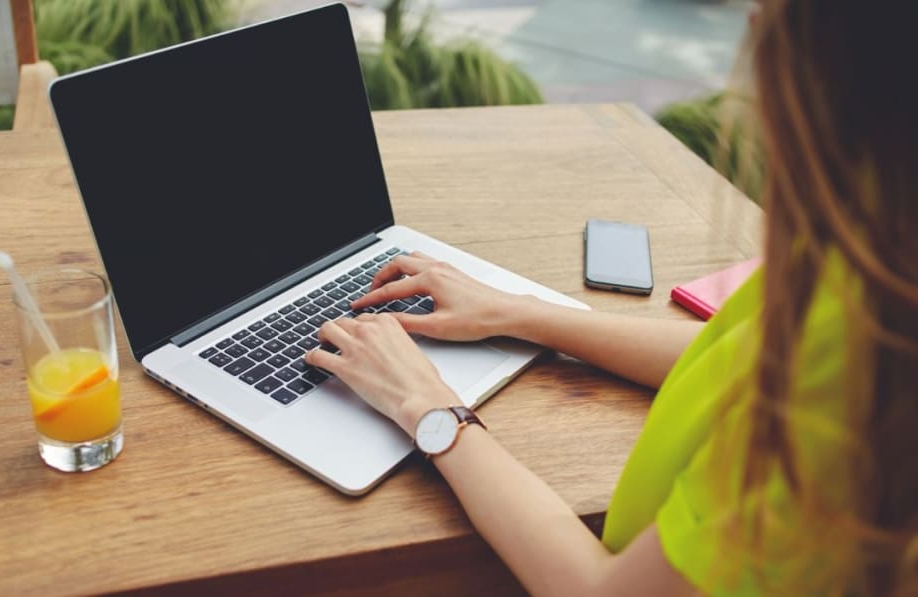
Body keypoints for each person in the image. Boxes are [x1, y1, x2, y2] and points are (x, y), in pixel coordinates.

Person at [305, 0, 918, 594]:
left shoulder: (867, 349)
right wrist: (520, 313)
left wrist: (429, 408)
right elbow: (738, 356)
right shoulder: (875, 244)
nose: (755, 23)